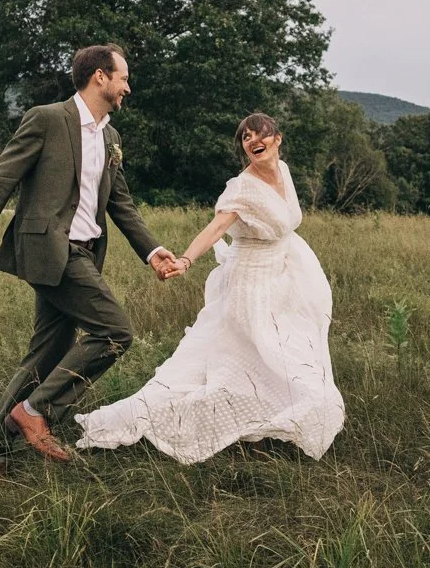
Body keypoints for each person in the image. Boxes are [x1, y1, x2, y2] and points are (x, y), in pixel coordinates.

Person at [0, 44, 179, 473]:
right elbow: (0, 179)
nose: (128, 86)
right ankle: (36, 411)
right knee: (115, 332)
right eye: (123, 77)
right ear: (100, 77)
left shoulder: (111, 137)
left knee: (47, 353)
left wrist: (151, 250)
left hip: (86, 254)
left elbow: (121, 205)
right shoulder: (48, 119)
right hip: (51, 248)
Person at [74, 113, 344, 463]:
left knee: (283, 355)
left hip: (285, 280)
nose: (251, 140)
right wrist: (185, 260)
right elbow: (216, 228)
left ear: (276, 138)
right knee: (236, 361)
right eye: (245, 137)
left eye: (258, 134)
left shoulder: (285, 171)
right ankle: (151, 418)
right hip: (251, 285)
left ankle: (265, 427)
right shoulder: (243, 187)